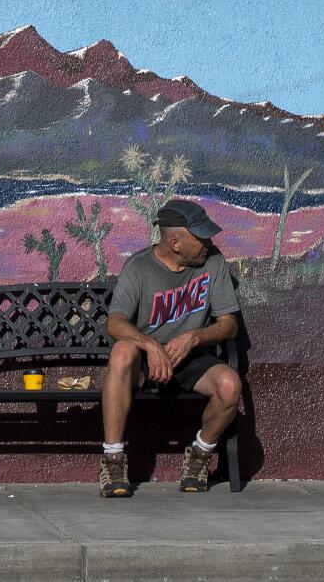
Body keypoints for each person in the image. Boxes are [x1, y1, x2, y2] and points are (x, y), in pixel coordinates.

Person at [97, 198, 242, 497]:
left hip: (192, 358)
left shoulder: (213, 262)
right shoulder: (139, 267)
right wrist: (150, 345)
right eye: (201, 237)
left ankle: (200, 456)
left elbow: (229, 325)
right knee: (122, 351)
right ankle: (113, 461)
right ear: (175, 242)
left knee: (230, 385)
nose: (208, 243)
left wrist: (194, 338)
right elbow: (115, 323)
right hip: (146, 362)